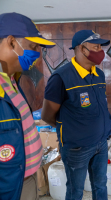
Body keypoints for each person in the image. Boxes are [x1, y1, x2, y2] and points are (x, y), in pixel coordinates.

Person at [42, 30, 111, 200]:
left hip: (101, 144)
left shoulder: (99, 74)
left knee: (100, 185)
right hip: (76, 148)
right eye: (95, 46)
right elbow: (47, 115)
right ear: (82, 48)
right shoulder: (61, 77)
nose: (100, 51)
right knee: (75, 191)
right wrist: (72, 130)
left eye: (100, 47)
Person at [0, 12, 56, 200]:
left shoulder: (12, 80)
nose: (36, 54)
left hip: (26, 176)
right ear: (11, 42)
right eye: (32, 47)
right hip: (10, 185)